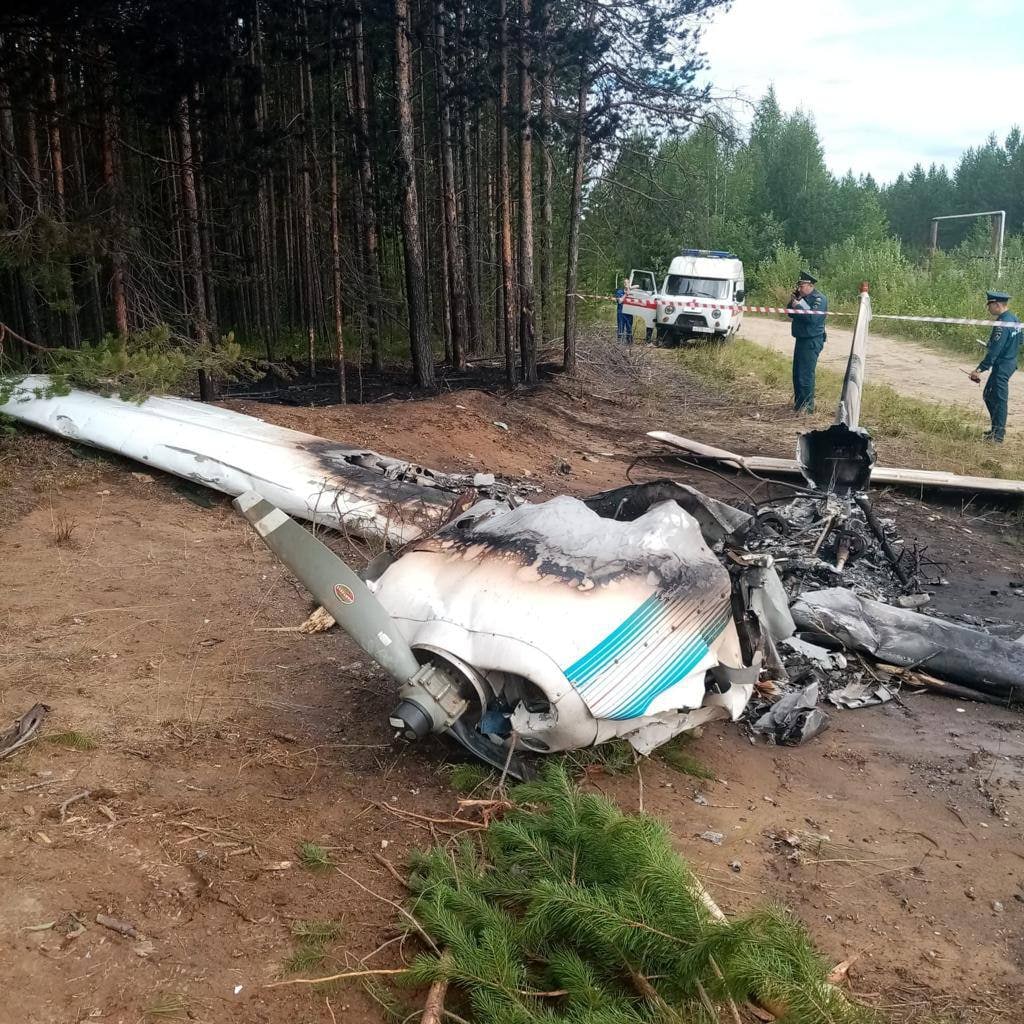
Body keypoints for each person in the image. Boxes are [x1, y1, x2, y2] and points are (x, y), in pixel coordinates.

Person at [969, 290, 1021, 444]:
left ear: (997, 304)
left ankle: (997, 437)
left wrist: (979, 369)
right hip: (1010, 362)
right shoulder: (1014, 318)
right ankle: (995, 430)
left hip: (1002, 365)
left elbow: (995, 351)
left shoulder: (1001, 323)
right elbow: (1020, 340)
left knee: (998, 399)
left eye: (989, 305)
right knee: (989, 394)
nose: (988, 309)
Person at [786, 271, 828, 413]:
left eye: (802, 286)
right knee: (797, 374)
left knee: (805, 374)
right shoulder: (801, 298)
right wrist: (794, 301)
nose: (799, 288)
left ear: (810, 285)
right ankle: (799, 405)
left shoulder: (819, 299)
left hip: (812, 340)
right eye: (799, 286)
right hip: (801, 339)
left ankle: (807, 407)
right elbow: (790, 313)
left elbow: (812, 319)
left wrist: (799, 306)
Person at [615, 280, 633, 344]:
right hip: (621, 312)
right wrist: (625, 294)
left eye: (627, 283)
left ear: (629, 284)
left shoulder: (632, 292)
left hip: (629, 313)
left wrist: (630, 288)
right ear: (623, 284)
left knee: (629, 328)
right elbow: (620, 301)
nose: (626, 284)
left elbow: (638, 286)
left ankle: (629, 343)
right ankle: (619, 343)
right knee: (621, 328)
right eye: (624, 283)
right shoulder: (619, 291)